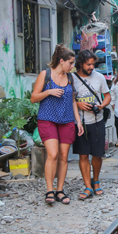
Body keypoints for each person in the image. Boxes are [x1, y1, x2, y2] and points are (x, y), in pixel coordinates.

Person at [31, 44, 84, 205]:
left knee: (63, 156)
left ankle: (60, 190)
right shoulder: (45, 75)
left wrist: (78, 121)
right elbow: (34, 98)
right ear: (61, 61)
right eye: (71, 63)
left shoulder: (70, 77)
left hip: (66, 120)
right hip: (48, 119)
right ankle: (49, 190)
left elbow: (73, 100)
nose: (73, 66)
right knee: (52, 154)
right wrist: (48, 92)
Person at [72, 50, 111, 200]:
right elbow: (68, 100)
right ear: (80, 63)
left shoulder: (99, 77)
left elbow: (107, 96)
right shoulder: (72, 79)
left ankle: (96, 180)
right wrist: (78, 103)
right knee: (83, 155)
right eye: (88, 64)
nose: (91, 67)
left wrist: (101, 106)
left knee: (97, 154)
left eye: (93, 64)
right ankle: (88, 185)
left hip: (97, 122)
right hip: (80, 123)